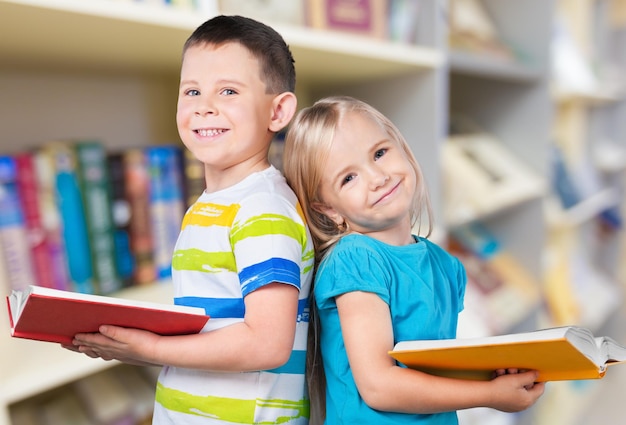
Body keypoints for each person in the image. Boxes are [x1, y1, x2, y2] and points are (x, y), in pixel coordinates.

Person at [67, 15, 314, 424]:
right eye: (193, 90)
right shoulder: (214, 204)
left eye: (228, 91)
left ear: (278, 111)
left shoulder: (263, 210)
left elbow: (268, 345)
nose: (204, 106)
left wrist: (146, 350)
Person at [282, 95, 545, 424]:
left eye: (379, 153)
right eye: (348, 178)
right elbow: (379, 386)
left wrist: (494, 378)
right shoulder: (356, 259)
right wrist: (490, 395)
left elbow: (432, 373)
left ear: (402, 147)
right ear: (330, 210)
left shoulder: (444, 264)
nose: (377, 177)